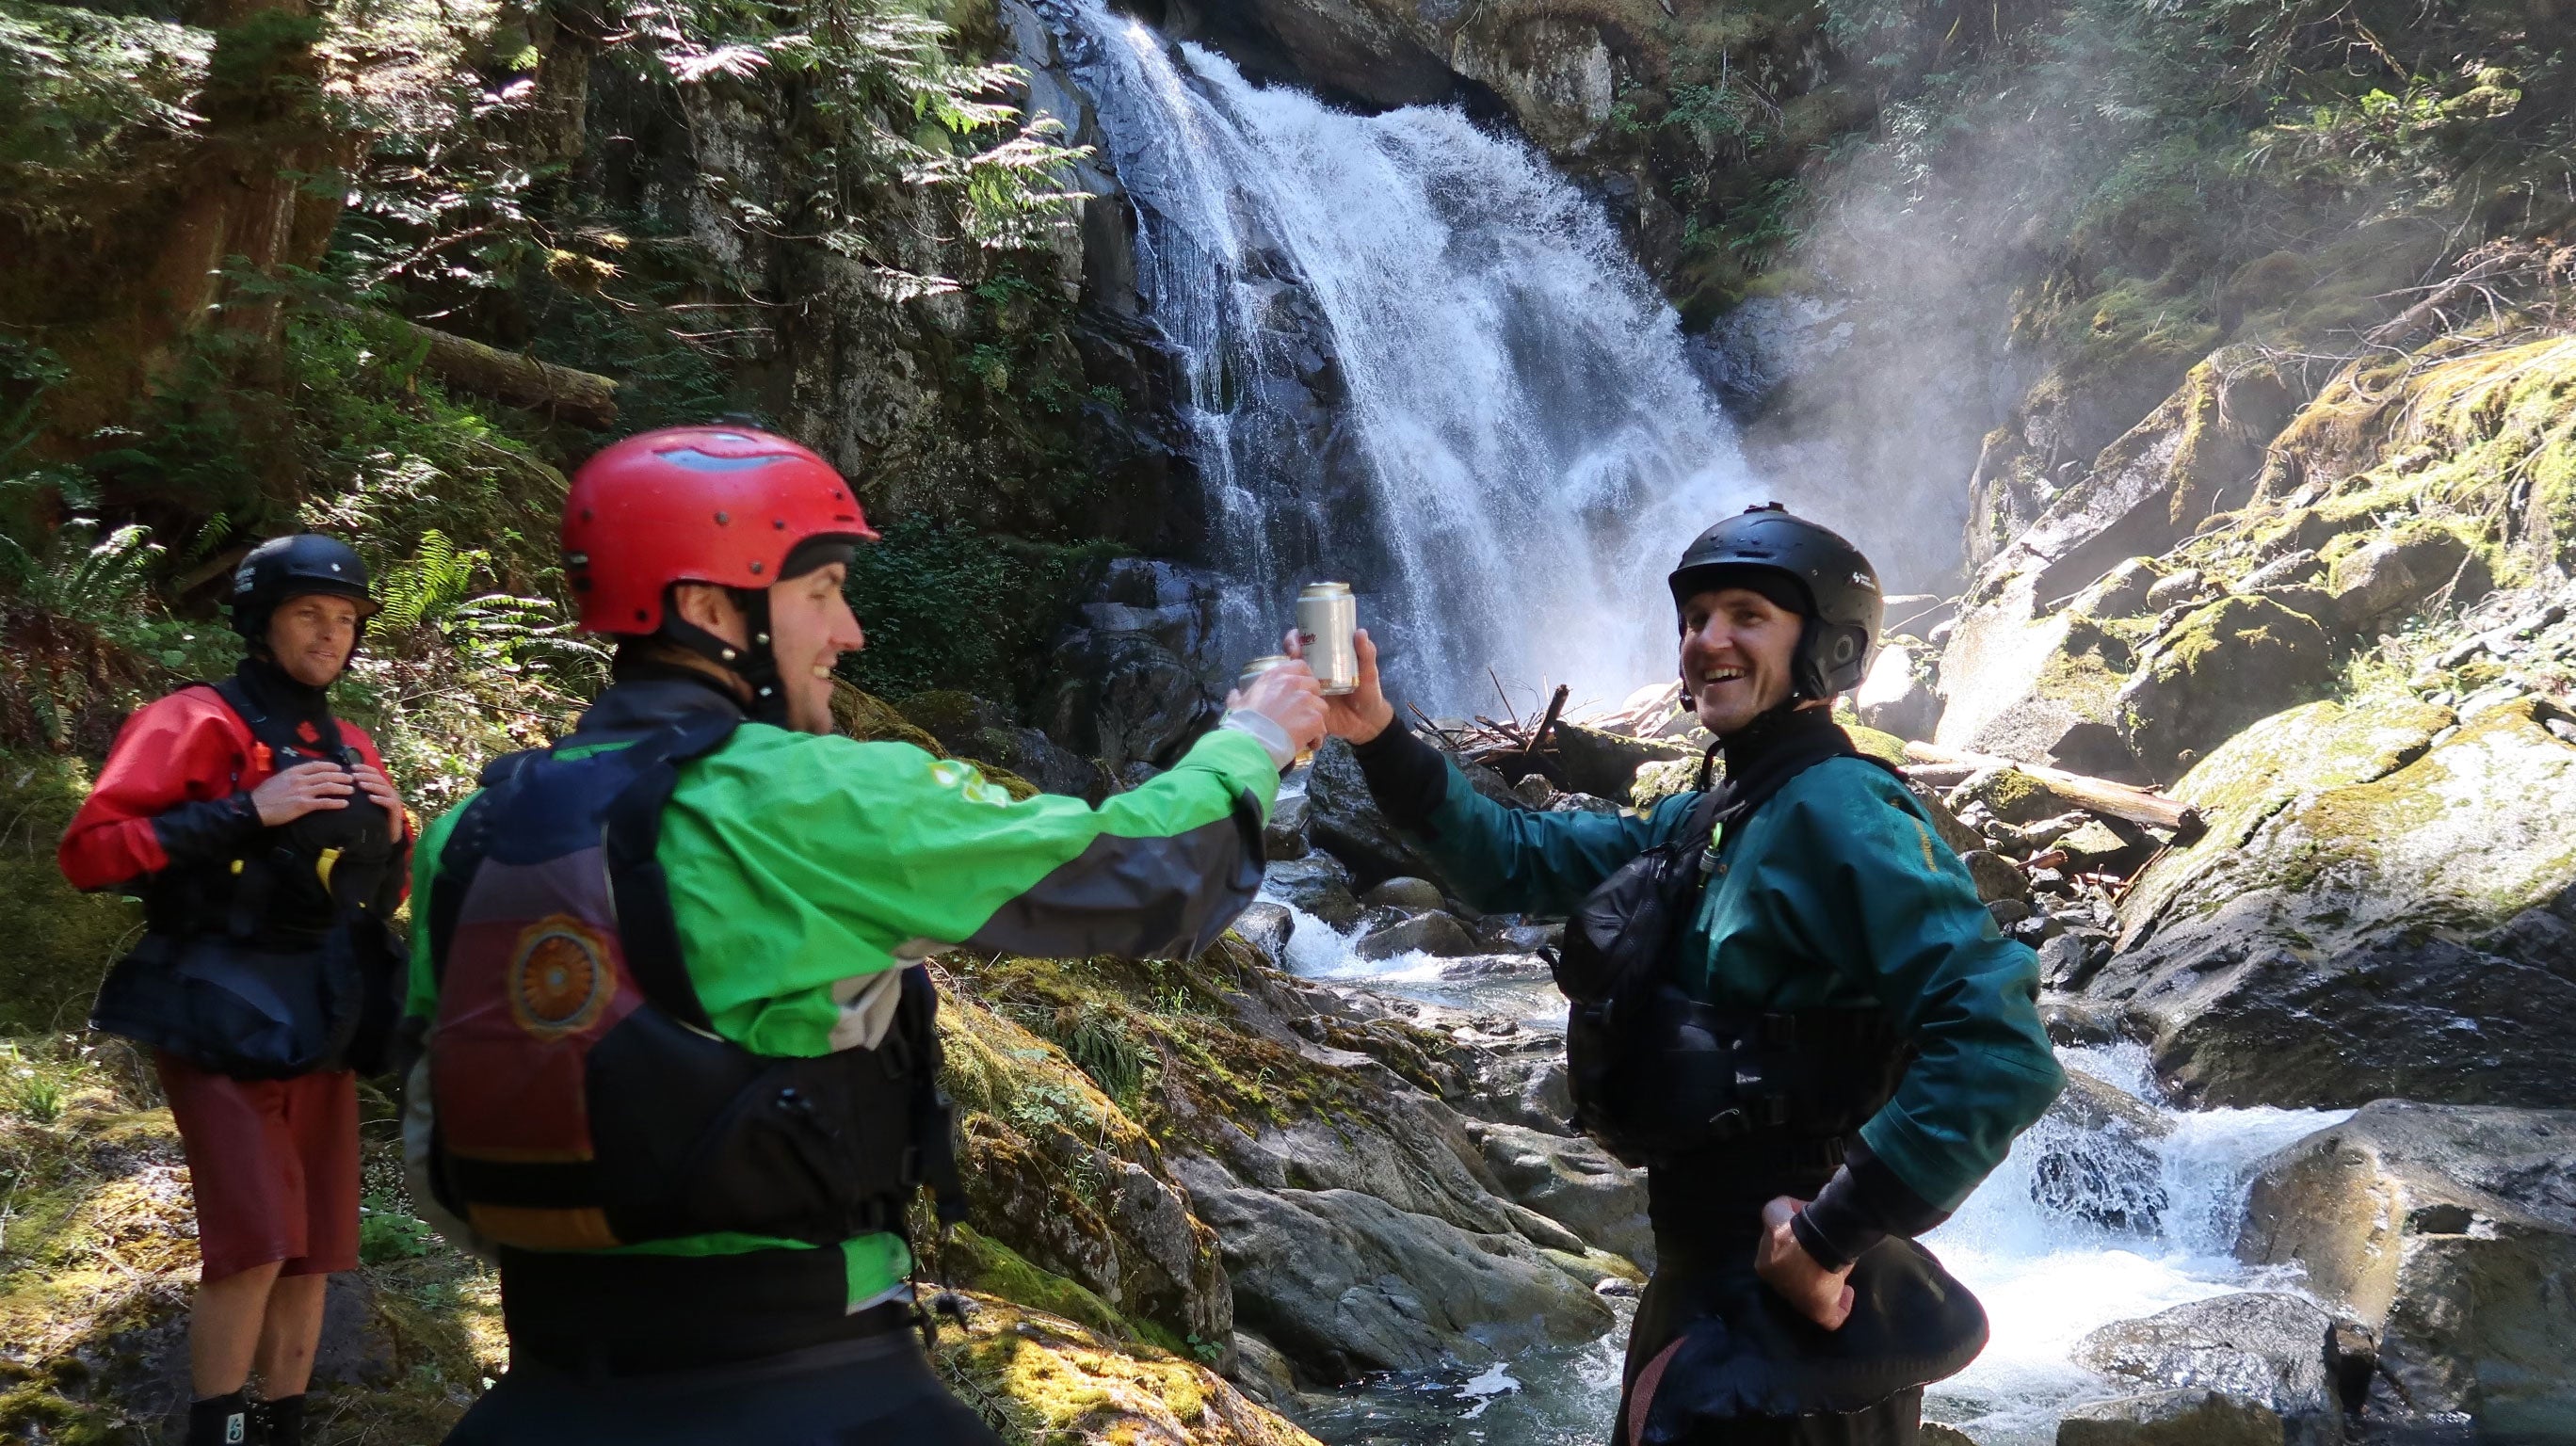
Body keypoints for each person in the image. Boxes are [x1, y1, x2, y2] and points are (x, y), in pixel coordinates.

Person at [403, 424, 1327, 1445]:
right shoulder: (812, 799)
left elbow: (431, 1109)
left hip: (537, 1395)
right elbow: (1154, 870)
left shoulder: (464, 836)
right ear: (711, 610)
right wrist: (1258, 737)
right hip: (809, 1384)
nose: (849, 632)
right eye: (821, 592)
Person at [1301, 504, 2064, 1445]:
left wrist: (1830, 1236)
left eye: (1747, 614)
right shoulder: (1708, 819)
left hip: (1781, 1304)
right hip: (1702, 1283)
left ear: (1825, 648)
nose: (1709, 640)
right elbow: (1514, 858)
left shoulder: (1842, 808)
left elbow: (2002, 1048)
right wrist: (1377, 733)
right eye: (1696, 618)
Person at [62, 534, 411, 1446]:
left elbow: (376, 897)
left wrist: (393, 831)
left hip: (319, 1016)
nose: (332, 635)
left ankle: (281, 1428)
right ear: (261, 623)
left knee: (315, 1249)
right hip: (214, 1008)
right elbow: (91, 854)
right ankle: (215, 1432)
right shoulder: (193, 720)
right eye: (310, 614)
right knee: (255, 1235)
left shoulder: (351, 742)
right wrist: (247, 811)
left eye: (346, 620)